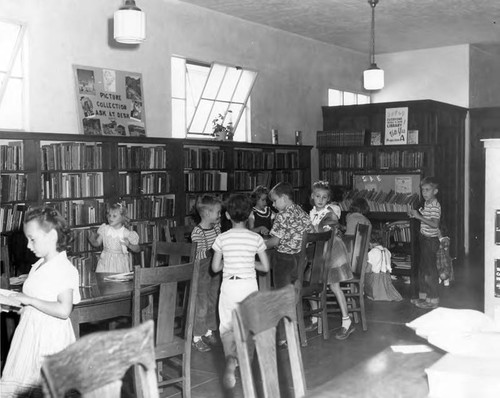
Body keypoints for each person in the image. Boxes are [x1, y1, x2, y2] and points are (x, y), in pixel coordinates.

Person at [0, 206, 81, 396]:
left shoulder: (63, 268)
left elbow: (63, 310)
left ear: (52, 236)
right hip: (30, 334)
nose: (28, 245)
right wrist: (10, 303)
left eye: (32, 239)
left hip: (49, 339)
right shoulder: (39, 265)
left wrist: (29, 300)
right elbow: (35, 301)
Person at [211, 194, 269, 389]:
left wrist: (230, 259)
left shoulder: (222, 238)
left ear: (227, 215)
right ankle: (246, 365)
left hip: (229, 287)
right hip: (249, 287)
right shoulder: (256, 238)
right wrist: (248, 261)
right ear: (250, 214)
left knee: (227, 328)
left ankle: (230, 360)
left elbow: (215, 268)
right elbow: (265, 267)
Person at [266, 182, 312, 347]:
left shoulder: (282, 215)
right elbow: (310, 233)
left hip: (284, 261)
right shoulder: (302, 212)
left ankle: (282, 338)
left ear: (284, 199)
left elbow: (275, 241)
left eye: (275, 201)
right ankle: (293, 332)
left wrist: (258, 244)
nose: (273, 204)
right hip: (300, 261)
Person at [190, 195, 222, 352]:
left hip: (215, 271)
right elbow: (197, 254)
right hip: (202, 271)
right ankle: (196, 337)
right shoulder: (197, 232)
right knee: (201, 304)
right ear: (207, 213)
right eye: (218, 212)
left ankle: (208, 331)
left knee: (213, 300)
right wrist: (214, 251)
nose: (220, 215)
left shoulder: (216, 228)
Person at [408, 176, 441, 309]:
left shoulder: (435, 205)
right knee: (424, 269)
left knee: (430, 271)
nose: (425, 193)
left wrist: (419, 216)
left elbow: (434, 224)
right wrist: (415, 214)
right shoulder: (427, 204)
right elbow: (425, 217)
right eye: (423, 190)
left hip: (430, 241)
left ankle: (433, 300)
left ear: (435, 191)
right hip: (424, 239)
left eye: (428, 190)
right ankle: (426, 297)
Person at [88, 202, 140, 273]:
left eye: (114, 216)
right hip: (105, 262)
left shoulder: (126, 233)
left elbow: (137, 249)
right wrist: (92, 240)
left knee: (118, 282)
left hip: (119, 264)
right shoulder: (105, 229)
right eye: (109, 215)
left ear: (122, 217)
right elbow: (97, 243)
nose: (110, 218)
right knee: (104, 281)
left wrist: (129, 245)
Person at [364, 230, 403, 301]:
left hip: (375, 279)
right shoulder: (387, 251)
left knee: (365, 276)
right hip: (386, 277)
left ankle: (374, 295)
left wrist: (363, 274)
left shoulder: (372, 252)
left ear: (370, 242)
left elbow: (368, 269)